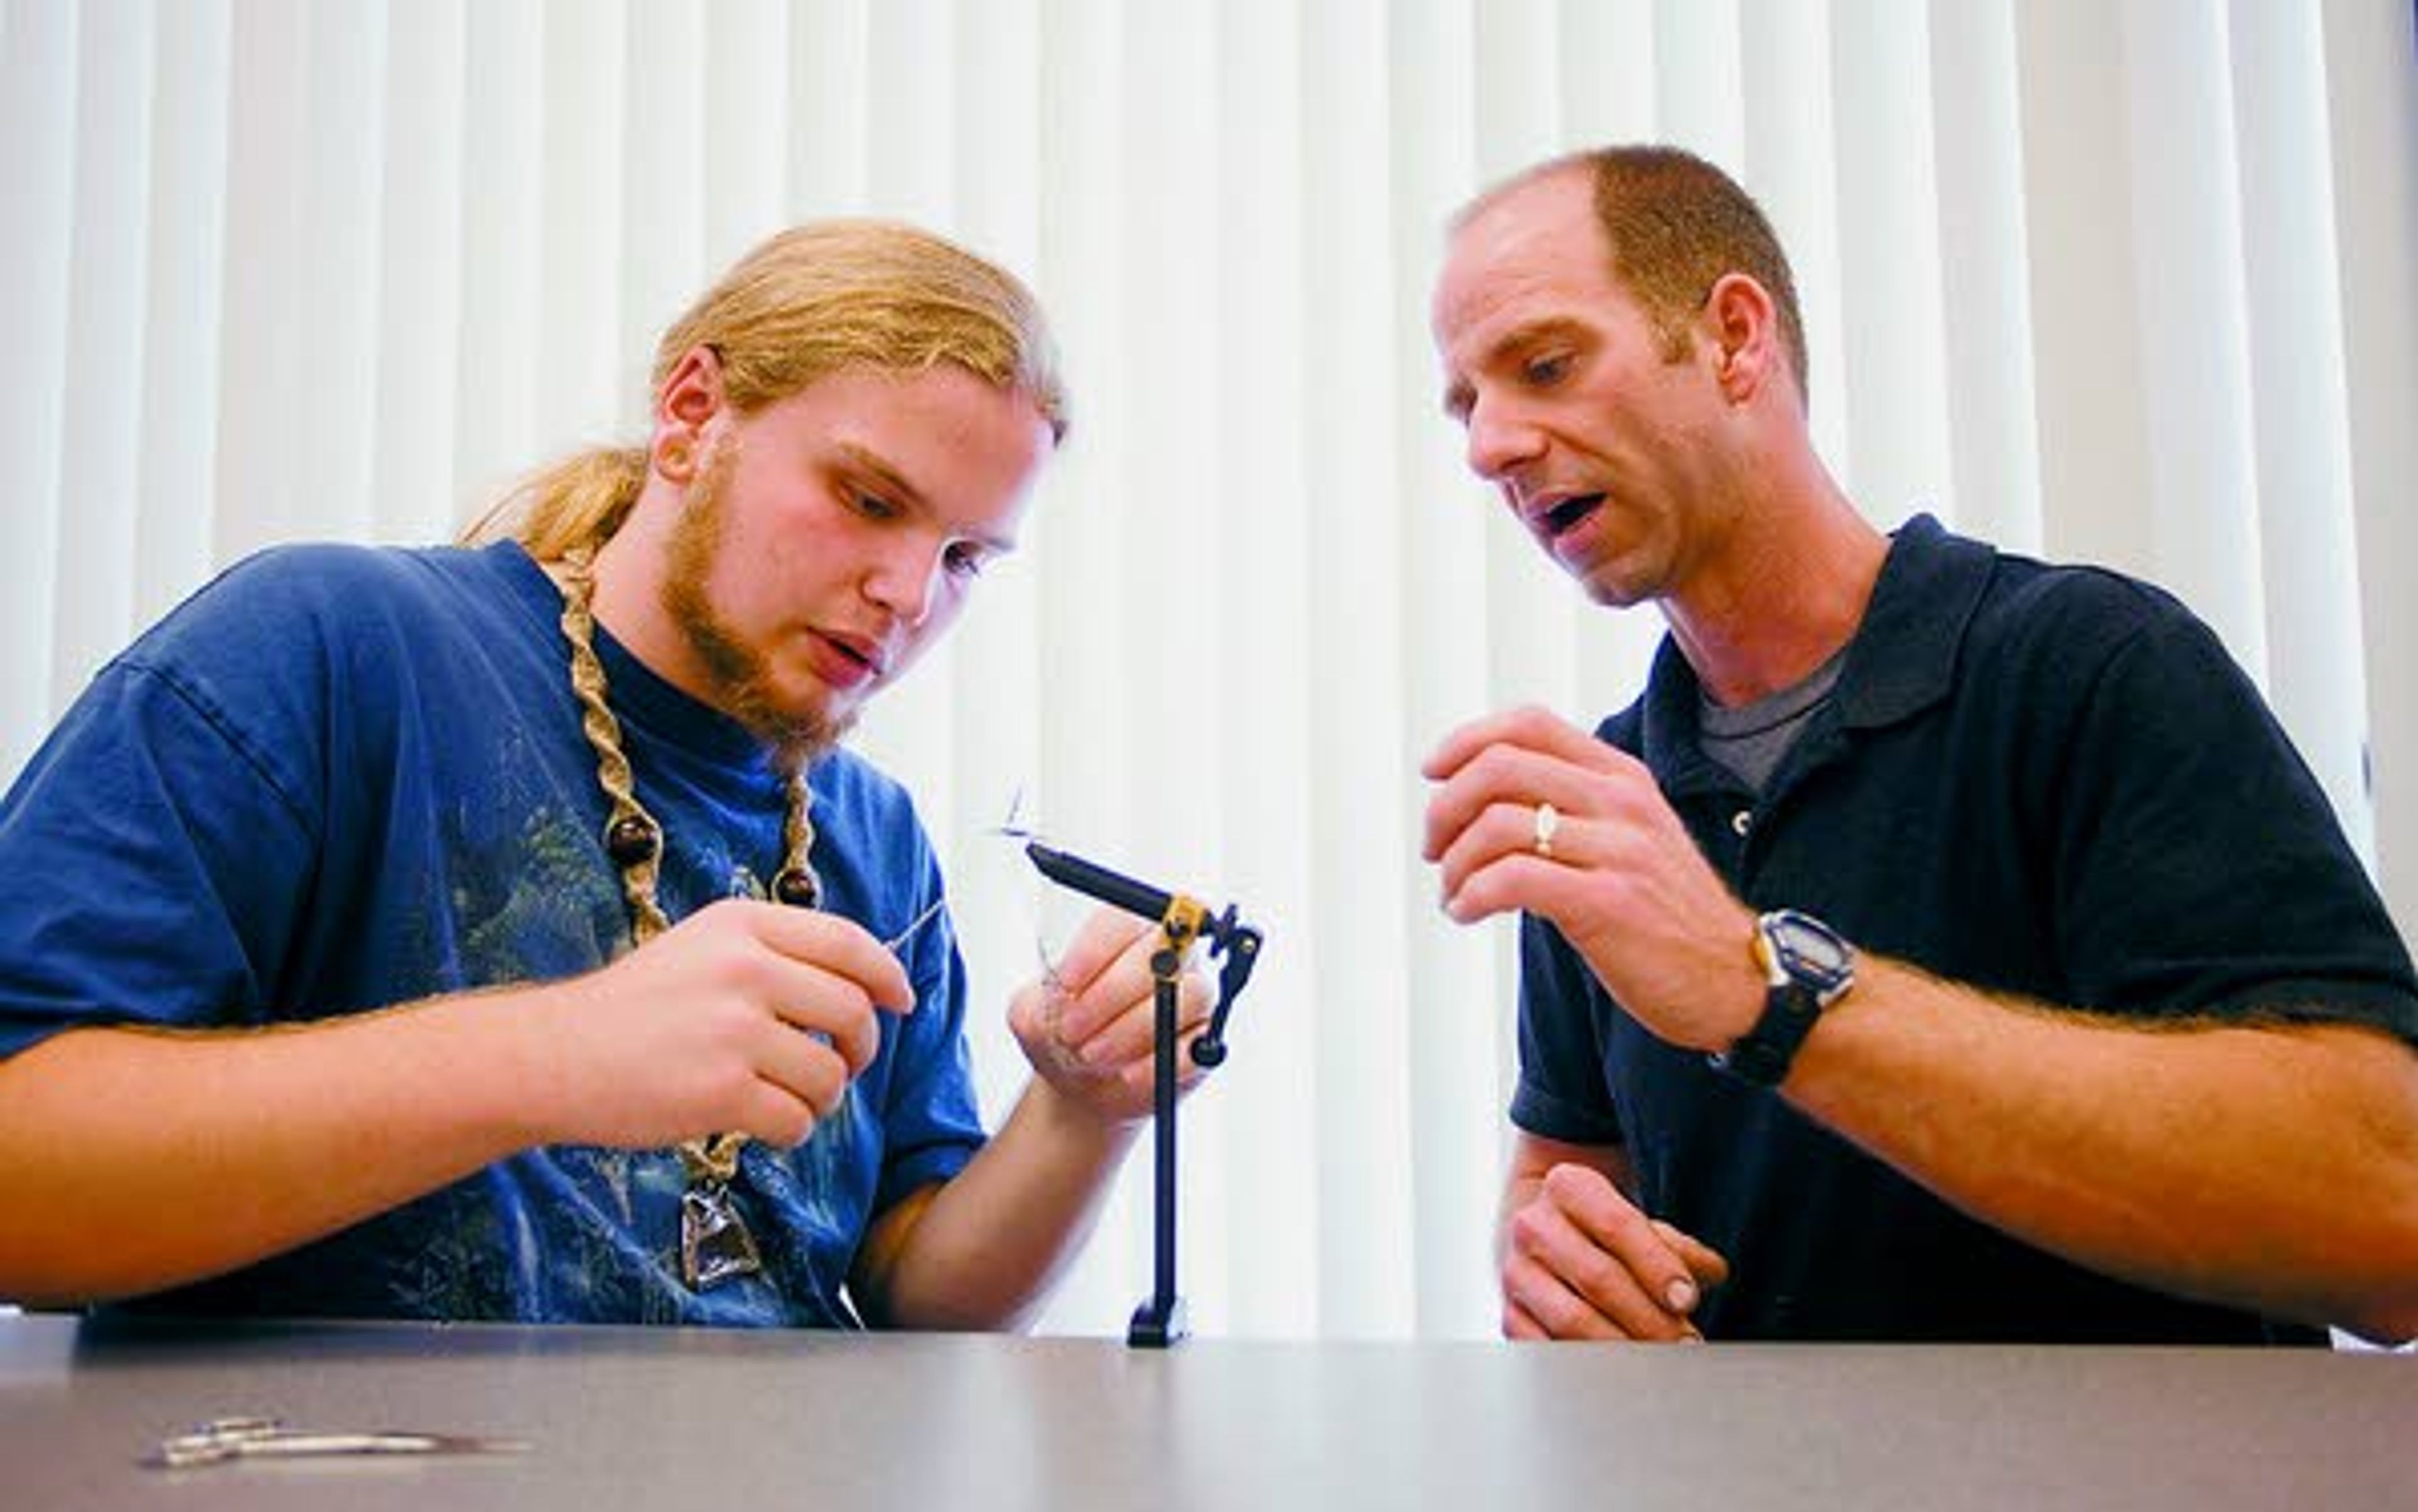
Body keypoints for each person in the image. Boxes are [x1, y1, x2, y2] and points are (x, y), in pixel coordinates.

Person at [0, 219, 1212, 1329]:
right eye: (867, 499)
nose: (908, 594)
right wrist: (552, 1055)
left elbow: (912, 1304)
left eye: (964, 558)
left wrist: (1079, 1110)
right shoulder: (332, 649)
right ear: (692, 412)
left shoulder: (870, 838)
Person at [1419, 145, 2418, 1345]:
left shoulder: (2092, 671)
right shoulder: (1607, 802)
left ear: (1737, 339)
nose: (1490, 448)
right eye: (1469, 405)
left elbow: (2388, 1222)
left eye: (1545, 367)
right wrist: (1556, 1267)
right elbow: (1568, 1179)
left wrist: (1762, 985)